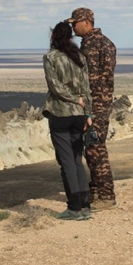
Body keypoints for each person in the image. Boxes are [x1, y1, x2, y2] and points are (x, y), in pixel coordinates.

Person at [66, 7, 118, 210]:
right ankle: (96, 192)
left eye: (74, 23)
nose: (72, 27)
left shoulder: (94, 45)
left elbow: (92, 80)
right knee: (92, 148)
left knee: (95, 148)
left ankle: (106, 195)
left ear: (86, 22)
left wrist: (85, 105)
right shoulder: (102, 42)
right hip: (100, 103)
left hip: (95, 104)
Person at [42, 22, 93, 221]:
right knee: (77, 160)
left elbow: (55, 87)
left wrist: (74, 99)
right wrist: (88, 112)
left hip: (61, 114)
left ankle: (74, 208)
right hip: (79, 115)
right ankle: (85, 205)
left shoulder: (51, 57)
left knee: (67, 163)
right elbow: (86, 87)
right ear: (70, 36)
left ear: (53, 36)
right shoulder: (79, 56)